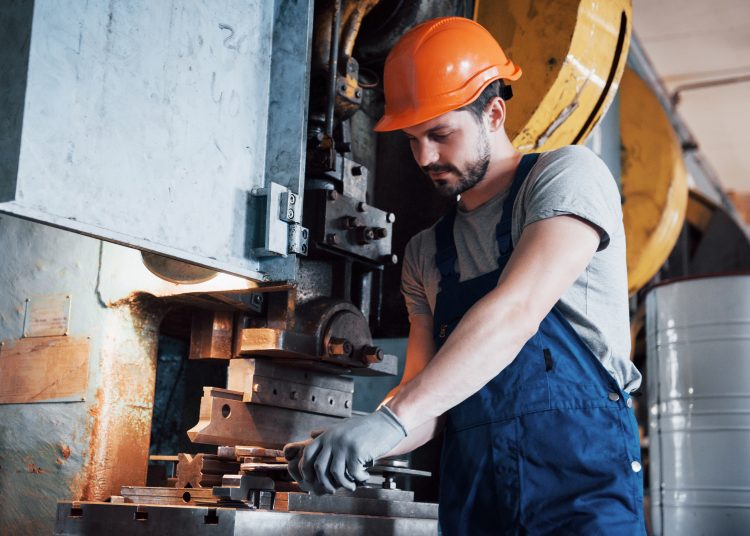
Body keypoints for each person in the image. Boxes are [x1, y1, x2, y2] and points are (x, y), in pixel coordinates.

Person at [285, 16, 646, 535]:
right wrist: (358, 437)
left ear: (494, 113)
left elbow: (517, 312)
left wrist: (388, 421)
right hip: (478, 505)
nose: (425, 157)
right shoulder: (426, 253)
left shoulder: (567, 176)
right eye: (412, 140)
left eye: (440, 134)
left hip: (579, 498)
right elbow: (425, 402)